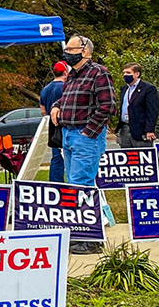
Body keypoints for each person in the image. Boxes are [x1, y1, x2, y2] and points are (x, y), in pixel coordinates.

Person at [50, 35, 115, 254]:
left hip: (85, 135)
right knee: (75, 185)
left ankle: (90, 238)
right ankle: (79, 232)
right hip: (68, 134)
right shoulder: (72, 75)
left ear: (85, 50)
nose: (66, 51)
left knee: (82, 185)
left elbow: (107, 106)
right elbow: (67, 98)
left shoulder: (99, 72)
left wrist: (89, 133)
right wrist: (56, 107)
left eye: (71, 48)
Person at [117, 62, 159, 149]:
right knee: (127, 158)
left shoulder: (148, 89)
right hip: (125, 129)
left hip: (141, 130)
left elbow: (152, 111)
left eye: (128, 73)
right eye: (124, 72)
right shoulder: (124, 88)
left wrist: (150, 130)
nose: (125, 75)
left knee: (141, 158)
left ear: (137, 74)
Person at [39, 61, 67, 182]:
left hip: (52, 125)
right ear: (66, 72)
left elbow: (43, 110)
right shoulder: (66, 87)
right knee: (70, 155)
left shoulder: (45, 89)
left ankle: (56, 182)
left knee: (56, 156)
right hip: (66, 125)